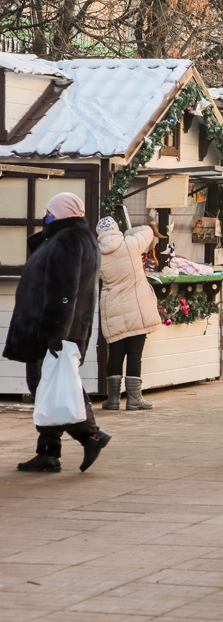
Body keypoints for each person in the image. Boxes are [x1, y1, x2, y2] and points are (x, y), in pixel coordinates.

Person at [3, 193, 111, 473]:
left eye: (48, 212)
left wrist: (56, 333)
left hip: (51, 329)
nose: (45, 216)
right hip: (57, 328)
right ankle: (49, 451)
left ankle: (90, 435)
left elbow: (63, 290)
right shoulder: (71, 238)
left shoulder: (68, 240)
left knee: (54, 387)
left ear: (60, 213)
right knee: (49, 388)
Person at [95, 217, 163, 410]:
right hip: (137, 306)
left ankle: (113, 399)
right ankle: (134, 399)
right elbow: (148, 232)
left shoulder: (96, 254)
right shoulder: (131, 244)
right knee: (135, 353)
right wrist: (128, 232)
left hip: (112, 306)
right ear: (117, 230)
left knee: (115, 353)